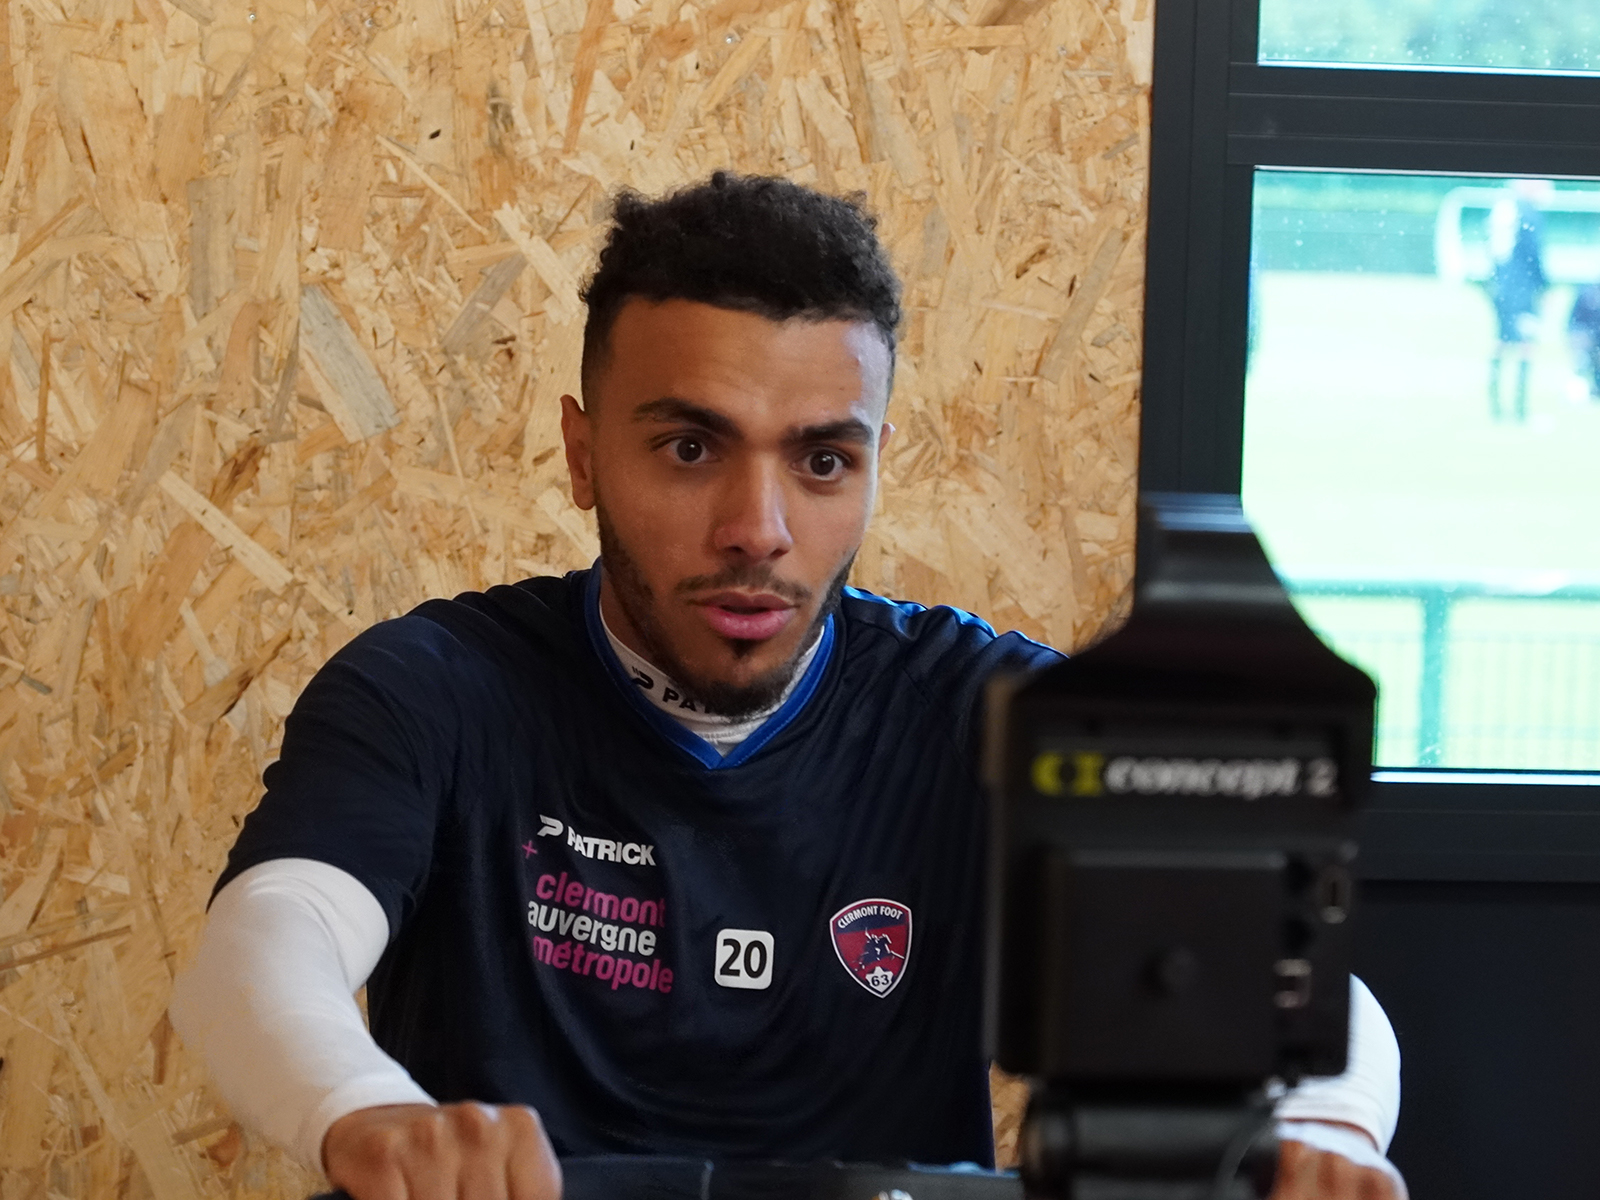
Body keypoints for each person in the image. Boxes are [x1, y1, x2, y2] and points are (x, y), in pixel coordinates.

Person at [170, 174, 1405, 1200]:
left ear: (873, 467)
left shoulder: (991, 715)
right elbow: (272, 933)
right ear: (583, 454)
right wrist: (370, 1112)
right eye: (689, 447)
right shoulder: (434, 688)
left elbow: (1289, 983)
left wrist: (1324, 1131)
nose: (756, 528)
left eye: (821, 461)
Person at [1485, 179, 1551, 423]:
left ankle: (1497, 408)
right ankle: (1519, 410)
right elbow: (1534, 255)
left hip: (1500, 287)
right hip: (1522, 289)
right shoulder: (1529, 213)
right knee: (1526, 343)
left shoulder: (1504, 209)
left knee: (1501, 340)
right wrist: (1544, 286)